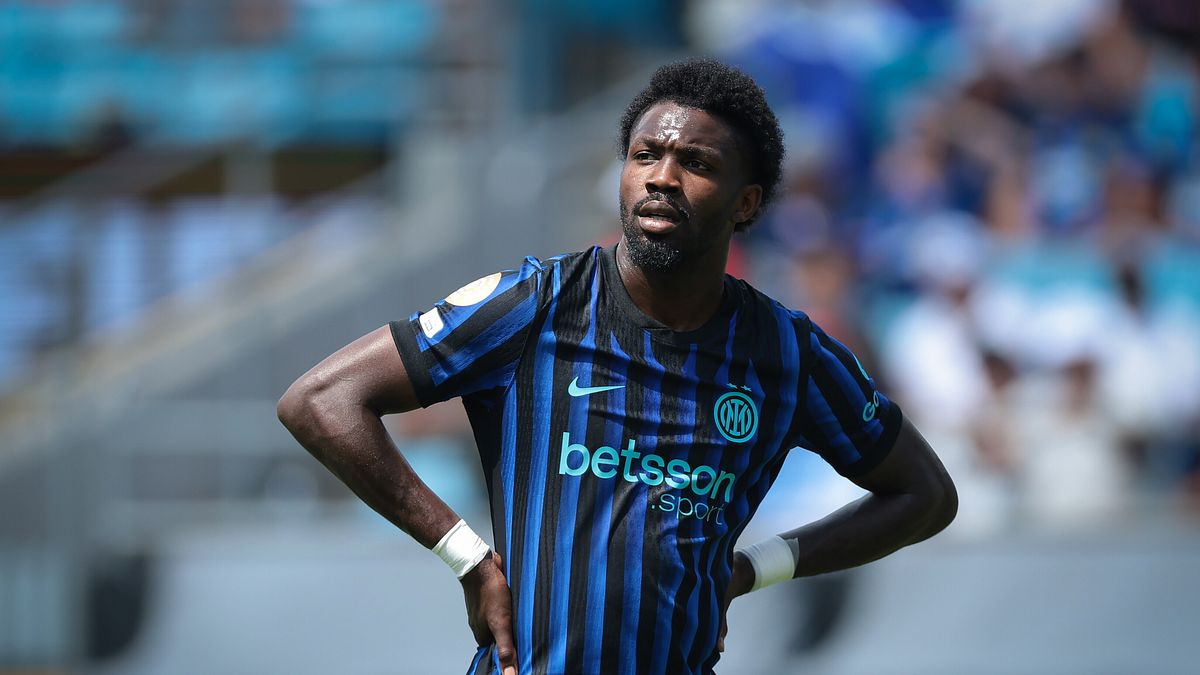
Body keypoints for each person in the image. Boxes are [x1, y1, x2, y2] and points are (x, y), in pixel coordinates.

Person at [277, 58, 957, 675]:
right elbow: (320, 400)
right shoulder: (537, 304)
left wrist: (752, 569)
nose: (662, 177)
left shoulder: (787, 353)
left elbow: (925, 495)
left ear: (746, 202)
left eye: (696, 162)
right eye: (645, 155)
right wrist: (466, 556)